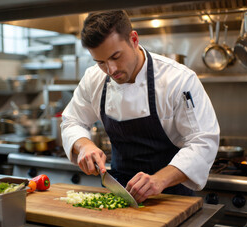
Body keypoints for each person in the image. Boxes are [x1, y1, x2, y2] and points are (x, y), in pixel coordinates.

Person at [61, 10, 220, 203]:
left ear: (134, 39)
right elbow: (72, 120)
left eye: (116, 56)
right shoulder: (94, 78)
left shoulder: (178, 79)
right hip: (118, 191)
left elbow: (203, 141)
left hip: (169, 195)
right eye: (101, 62)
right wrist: (84, 145)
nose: (110, 70)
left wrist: (160, 179)